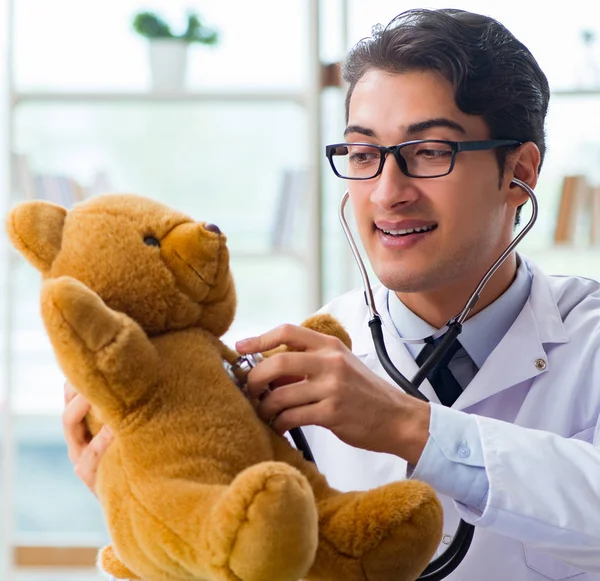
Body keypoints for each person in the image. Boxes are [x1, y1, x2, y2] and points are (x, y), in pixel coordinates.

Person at [63, 7, 600, 580]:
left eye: (428, 152)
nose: (387, 193)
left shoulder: (587, 340)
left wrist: (409, 427)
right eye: (364, 155)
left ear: (520, 172)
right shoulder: (286, 375)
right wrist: (154, 513)